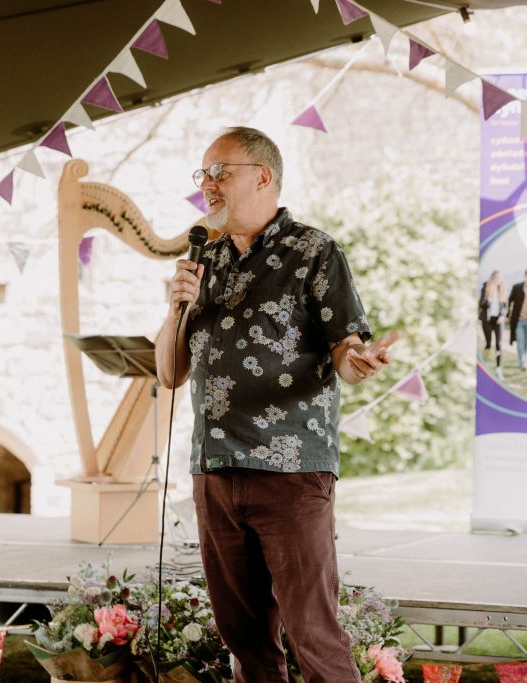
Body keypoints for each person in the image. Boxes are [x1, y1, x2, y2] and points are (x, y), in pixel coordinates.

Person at [154, 127, 400, 683]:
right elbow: (169, 372)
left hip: (290, 473)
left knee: (312, 633)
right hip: (214, 471)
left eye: (221, 171)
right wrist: (176, 309)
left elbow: (346, 349)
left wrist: (359, 362)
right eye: (204, 174)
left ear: (264, 176)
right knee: (244, 641)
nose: (209, 185)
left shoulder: (314, 251)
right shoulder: (205, 261)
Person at [478, 270, 508, 380]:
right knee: (488, 343)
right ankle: (483, 365)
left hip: (498, 320)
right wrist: (488, 301)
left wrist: (502, 315)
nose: (498, 280)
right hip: (487, 319)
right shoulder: (486, 287)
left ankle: (498, 369)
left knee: (499, 344)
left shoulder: (503, 288)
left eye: (500, 278)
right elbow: (481, 303)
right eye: (496, 277)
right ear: (492, 278)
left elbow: (505, 306)